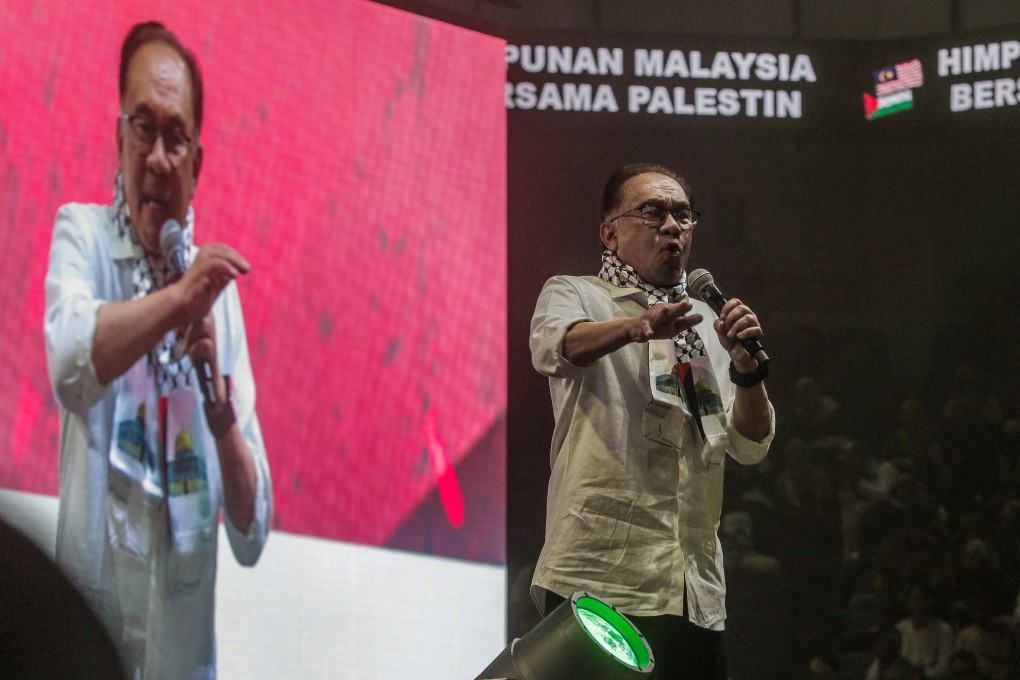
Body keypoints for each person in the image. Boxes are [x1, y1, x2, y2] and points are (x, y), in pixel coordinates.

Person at [44, 21, 272, 679]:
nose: (158, 156)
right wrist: (178, 300)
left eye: (177, 137)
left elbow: (252, 531)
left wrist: (223, 419)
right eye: (143, 128)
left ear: (197, 165)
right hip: (83, 652)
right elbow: (69, 363)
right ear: (120, 140)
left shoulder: (217, 298)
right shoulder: (83, 236)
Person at [529, 163, 774, 679]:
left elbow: (749, 445)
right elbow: (557, 348)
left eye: (683, 215)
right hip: (598, 575)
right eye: (652, 212)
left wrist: (748, 374)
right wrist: (638, 326)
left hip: (691, 586)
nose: (671, 226)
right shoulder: (576, 293)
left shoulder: (707, 322)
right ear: (609, 233)